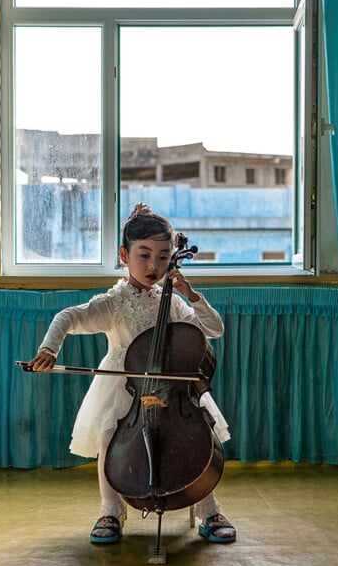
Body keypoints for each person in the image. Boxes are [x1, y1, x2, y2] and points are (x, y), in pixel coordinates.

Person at [26, 203, 236, 545]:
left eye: (164, 256)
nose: (154, 265)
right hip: (127, 389)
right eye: (144, 255)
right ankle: (110, 511)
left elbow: (214, 330)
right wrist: (49, 348)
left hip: (173, 390)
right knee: (110, 433)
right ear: (124, 254)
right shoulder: (114, 303)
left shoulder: (174, 301)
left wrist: (190, 295)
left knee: (197, 434)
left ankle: (208, 509)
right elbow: (67, 317)